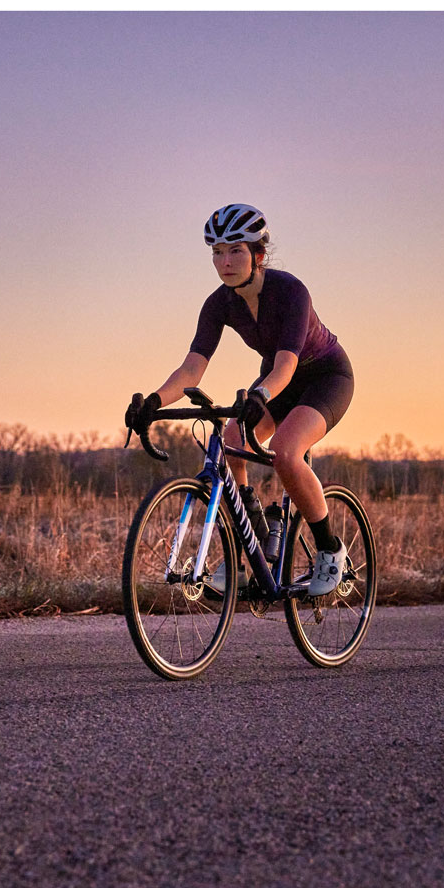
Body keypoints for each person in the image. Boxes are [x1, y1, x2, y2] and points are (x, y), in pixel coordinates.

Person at [124, 203, 355, 596]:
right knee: (232, 443)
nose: (224, 261)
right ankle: (253, 548)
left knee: (285, 450)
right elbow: (192, 369)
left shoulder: (291, 292)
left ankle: (331, 550)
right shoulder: (219, 304)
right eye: (216, 252)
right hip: (275, 382)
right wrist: (154, 403)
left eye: (235, 250)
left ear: (258, 255)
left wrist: (260, 394)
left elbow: (285, 364)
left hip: (323, 378)